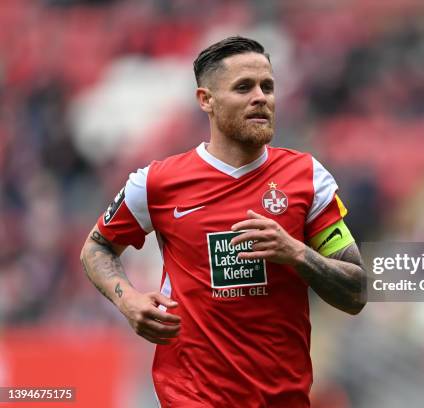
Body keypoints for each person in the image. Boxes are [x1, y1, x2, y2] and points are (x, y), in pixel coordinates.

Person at [80, 36, 367, 408]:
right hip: (191, 395)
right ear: (207, 100)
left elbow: (356, 289)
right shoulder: (157, 183)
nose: (261, 97)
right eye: (244, 87)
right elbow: (97, 245)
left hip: (282, 397)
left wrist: (296, 253)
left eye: (268, 86)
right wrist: (128, 300)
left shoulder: (307, 177)